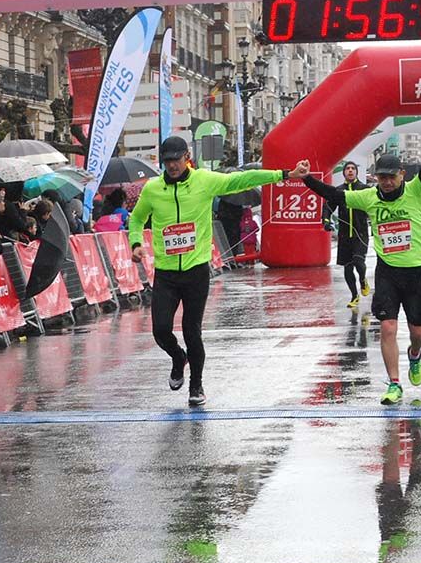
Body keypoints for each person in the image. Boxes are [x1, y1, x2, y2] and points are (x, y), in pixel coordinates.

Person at [129, 136, 309, 406]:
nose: (172, 166)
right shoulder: (153, 189)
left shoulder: (204, 180)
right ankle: (178, 358)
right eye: (167, 161)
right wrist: (136, 243)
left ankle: (196, 386)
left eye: (176, 160)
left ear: (187, 156)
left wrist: (284, 174)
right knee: (161, 330)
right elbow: (137, 218)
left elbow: (242, 180)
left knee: (192, 330)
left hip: (196, 270)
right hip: (166, 272)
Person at [301, 120, 421, 405]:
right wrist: (307, 180)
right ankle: (394, 384)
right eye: (382, 178)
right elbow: (335, 195)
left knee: (417, 331)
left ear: (402, 175)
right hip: (388, 272)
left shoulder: (415, 190)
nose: (388, 182)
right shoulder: (368, 197)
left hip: (416, 271)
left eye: (392, 177)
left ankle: (415, 355)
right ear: (376, 178)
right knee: (389, 328)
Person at [321, 161, 371, 308]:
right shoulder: (339, 191)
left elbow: (374, 206)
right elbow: (328, 207)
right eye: (347, 169)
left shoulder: (364, 189)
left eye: (353, 169)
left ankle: (363, 280)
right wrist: (325, 220)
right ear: (344, 173)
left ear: (356, 172)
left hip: (360, 233)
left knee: (358, 261)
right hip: (344, 235)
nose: (350, 171)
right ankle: (354, 295)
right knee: (348, 267)